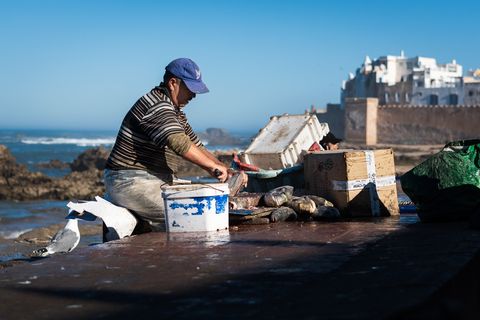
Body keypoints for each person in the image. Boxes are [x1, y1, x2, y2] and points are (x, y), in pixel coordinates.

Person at [104, 58, 237, 234]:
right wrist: (212, 167)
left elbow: (195, 144)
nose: (193, 95)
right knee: (188, 212)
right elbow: (178, 142)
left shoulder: (175, 111)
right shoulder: (157, 105)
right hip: (130, 182)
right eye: (190, 89)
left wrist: (221, 167)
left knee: (204, 196)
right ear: (173, 83)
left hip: (155, 179)